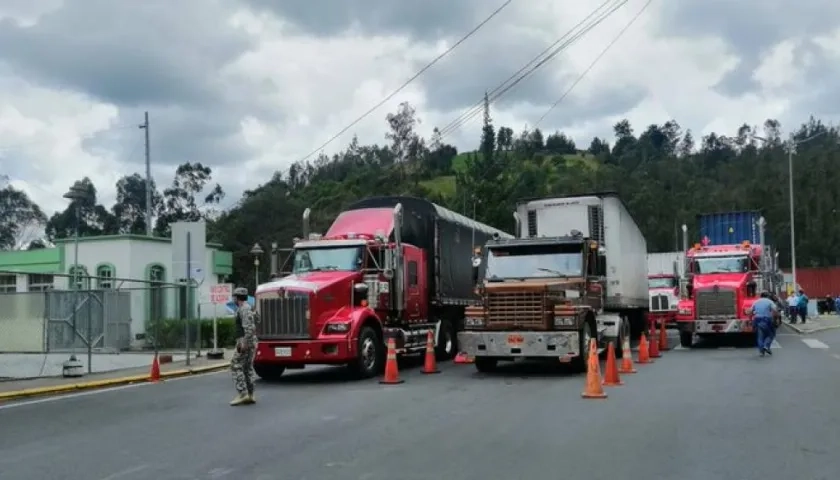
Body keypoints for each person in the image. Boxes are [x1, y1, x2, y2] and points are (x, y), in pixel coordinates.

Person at [230, 287, 258, 406]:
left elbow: (248, 328)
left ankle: (243, 393)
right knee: (247, 367)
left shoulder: (244, 309)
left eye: (234, 297)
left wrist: (244, 343)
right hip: (250, 341)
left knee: (235, 365)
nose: (233, 299)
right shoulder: (250, 307)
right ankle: (250, 394)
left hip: (245, 342)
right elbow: (258, 320)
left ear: (237, 297)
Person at [751, 291, 778, 357]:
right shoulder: (769, 301)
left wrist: (751, 319)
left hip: (757, 319)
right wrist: (775, 319)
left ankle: (761, 352)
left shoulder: (756, 302)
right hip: (767, 320)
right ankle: (766, 346)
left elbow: (750, 311)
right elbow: (775, 310)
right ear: (767, 296)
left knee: (760, 336)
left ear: (761, 296)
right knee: (771, 334)